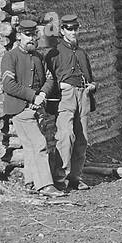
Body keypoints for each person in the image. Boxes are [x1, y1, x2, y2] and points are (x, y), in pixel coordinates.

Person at [1, 18, 63, 197]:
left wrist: (43, 93)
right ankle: (46, 185)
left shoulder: (38, 57)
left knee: (29, 146)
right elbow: (8, 84)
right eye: (27, 35)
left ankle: (30, 182)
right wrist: (33, 96)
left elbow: (50, 78)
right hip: (20, 108)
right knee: (39, 144)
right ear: (19, 36)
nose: (31, 39)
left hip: (37, 107)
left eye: (33, 35)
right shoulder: (10, 57)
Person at [46, 12, 96, 189]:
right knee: (66, 135)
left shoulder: (82, 53)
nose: (73, 32)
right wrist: (60, 87)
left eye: (76, 28)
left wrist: (91, 86)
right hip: (65, 99)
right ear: (62, 31)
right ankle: (60, 178)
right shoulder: (54, 53)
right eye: (69, 29)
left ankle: (75, 178)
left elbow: (90, 76)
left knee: (82, 139)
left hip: (83, 96)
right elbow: (48, 79)